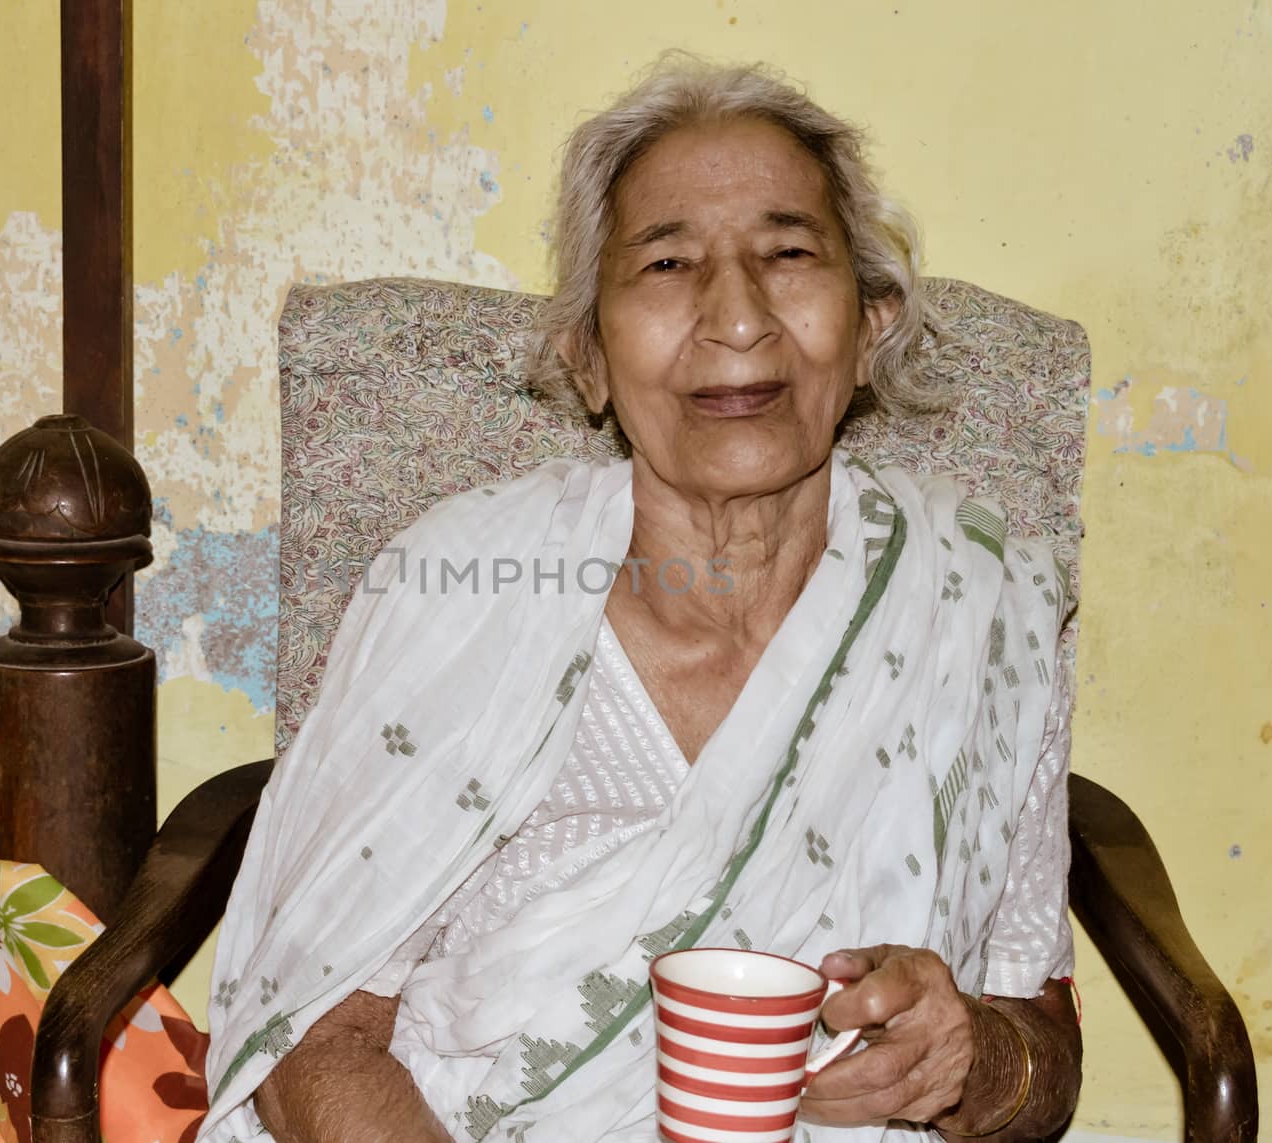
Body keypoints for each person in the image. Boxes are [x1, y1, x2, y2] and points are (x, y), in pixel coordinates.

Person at [199, 55, 1082, 1143]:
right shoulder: (463, 586)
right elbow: (313, 1039)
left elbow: (1040, 1040)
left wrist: (972, 1057)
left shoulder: (975, 602)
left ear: (870, 328)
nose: (737, 317)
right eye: (667, 264)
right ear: (588, 362)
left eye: (789, 253)